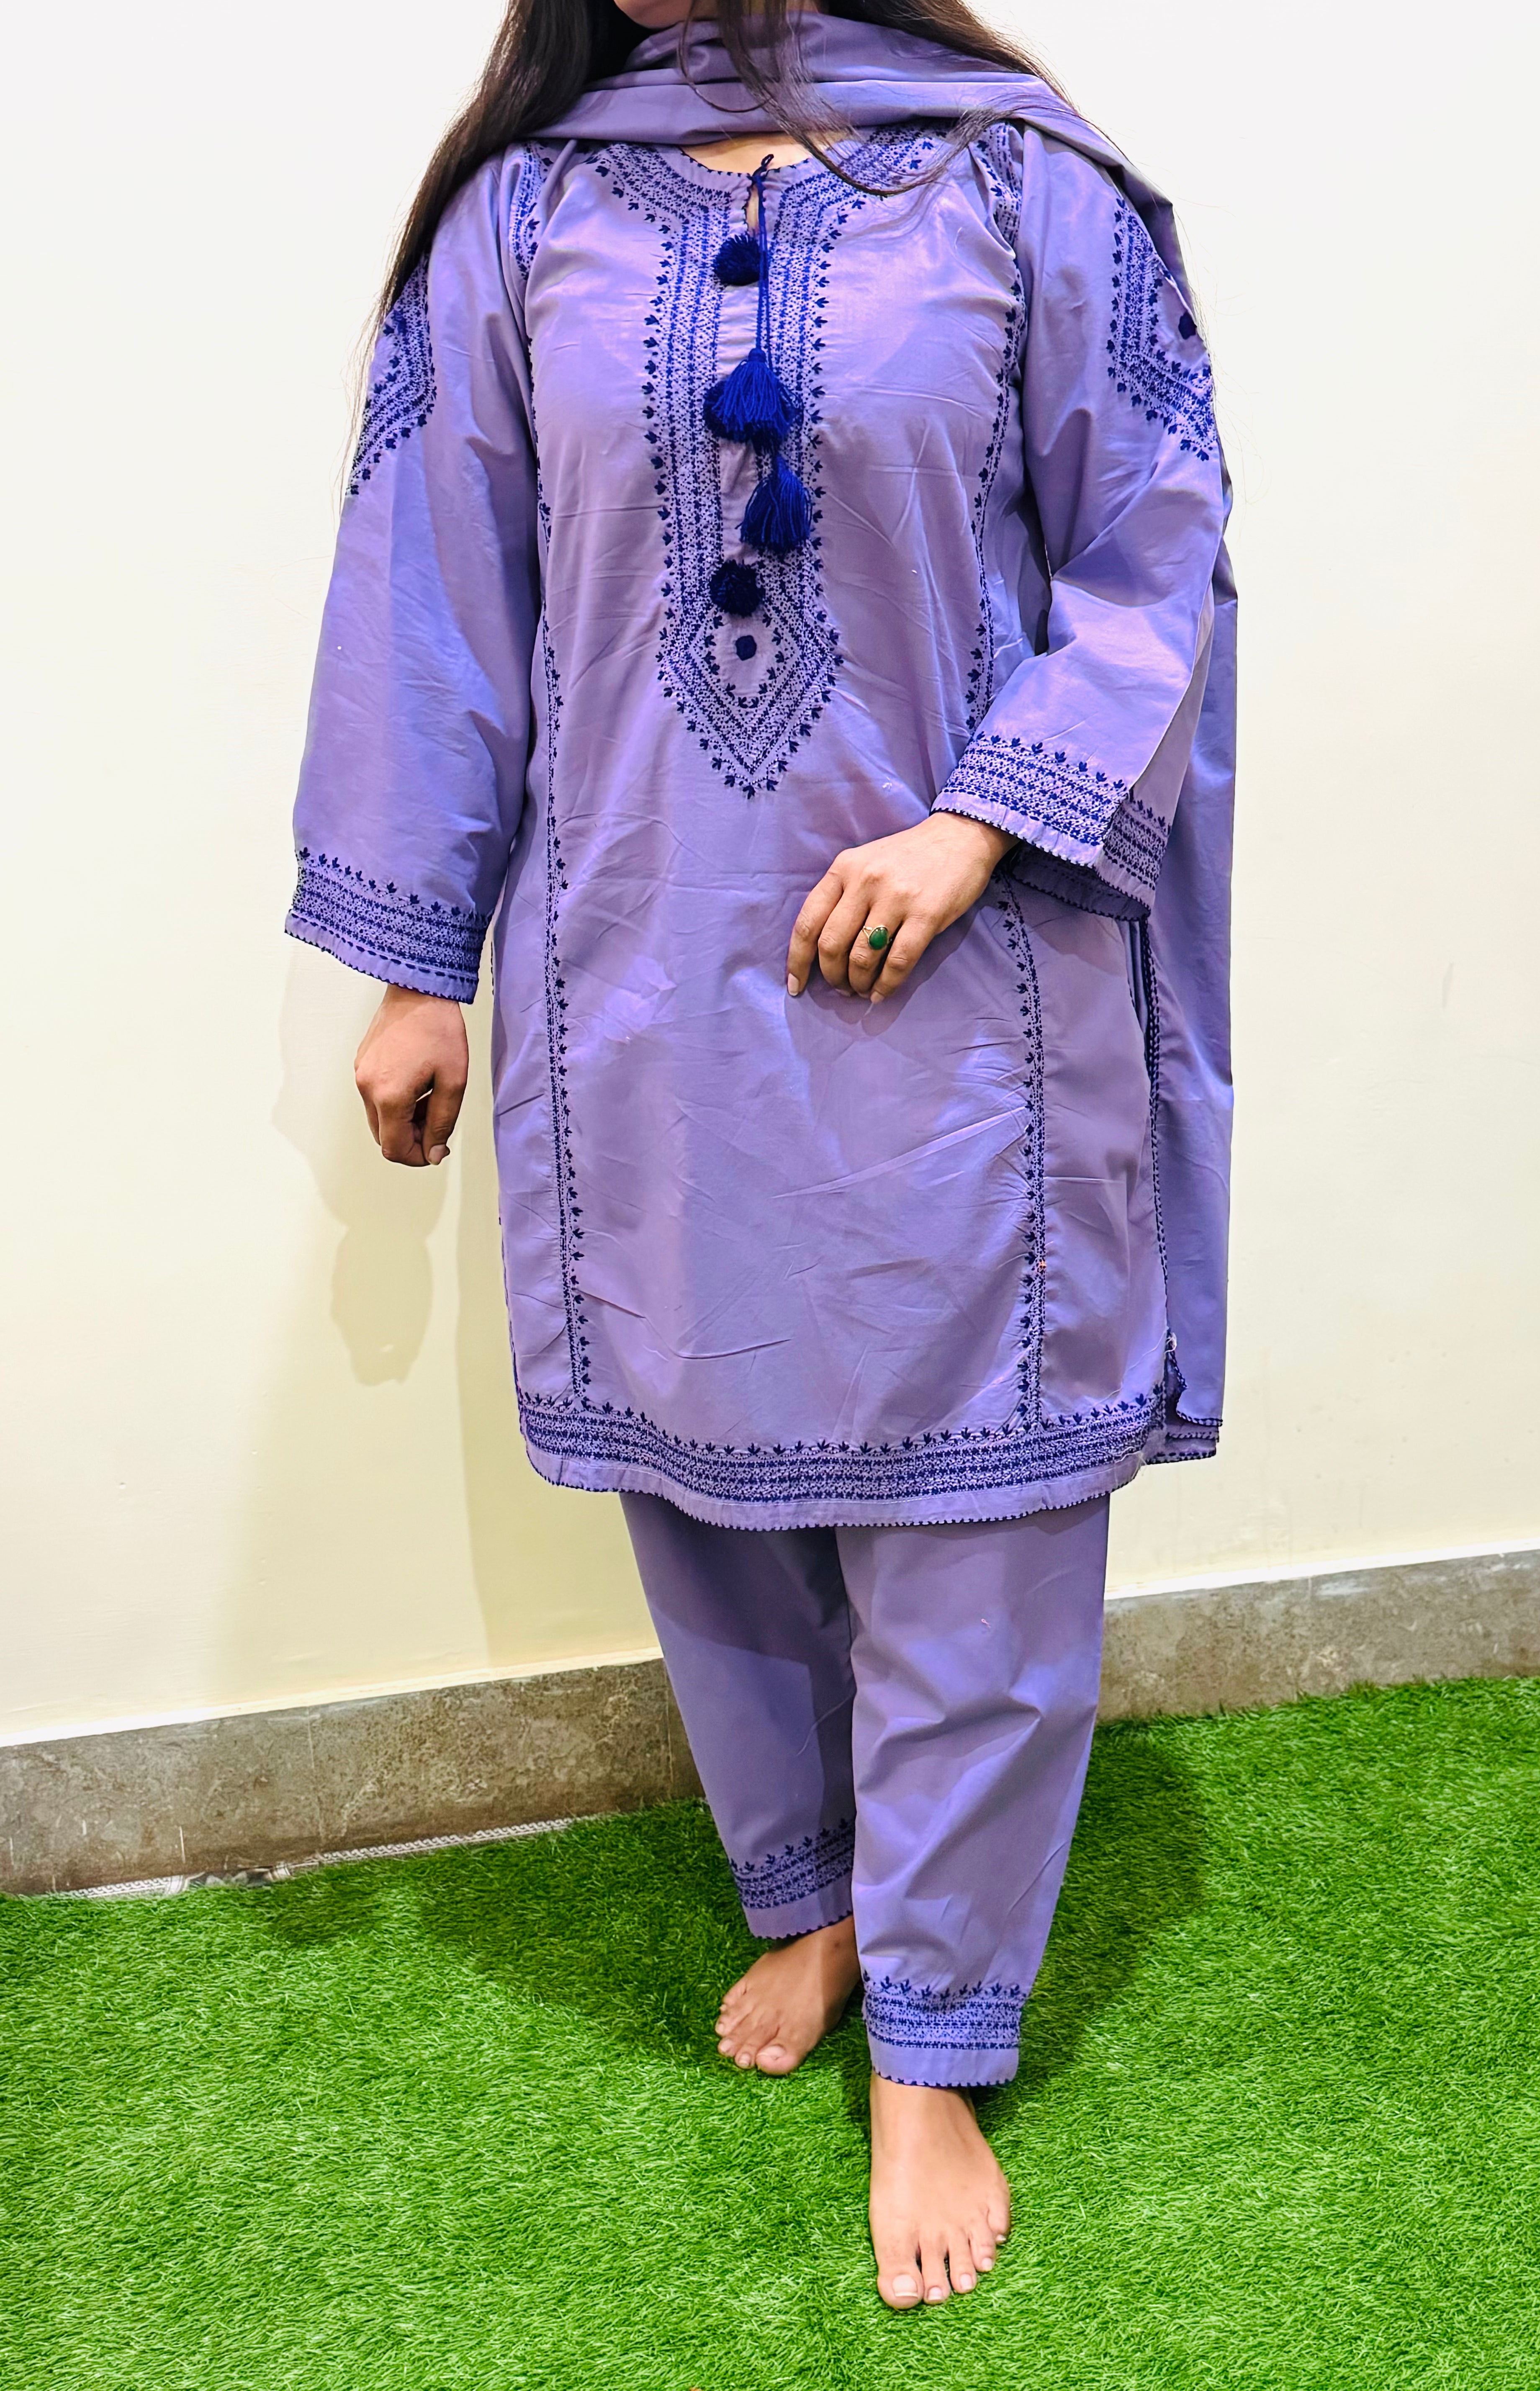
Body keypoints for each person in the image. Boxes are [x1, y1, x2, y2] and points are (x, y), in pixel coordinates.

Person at [288, 0, 1235, 2311]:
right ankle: (810, 1902)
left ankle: (937, 2037)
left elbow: (1157, 564)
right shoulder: (521, 213)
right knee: (707, 1466)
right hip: (646, 964)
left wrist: (979, 824)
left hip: (964, 970)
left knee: (981, 1506)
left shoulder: (1024, 190)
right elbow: (433, 586)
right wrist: (417, 964)